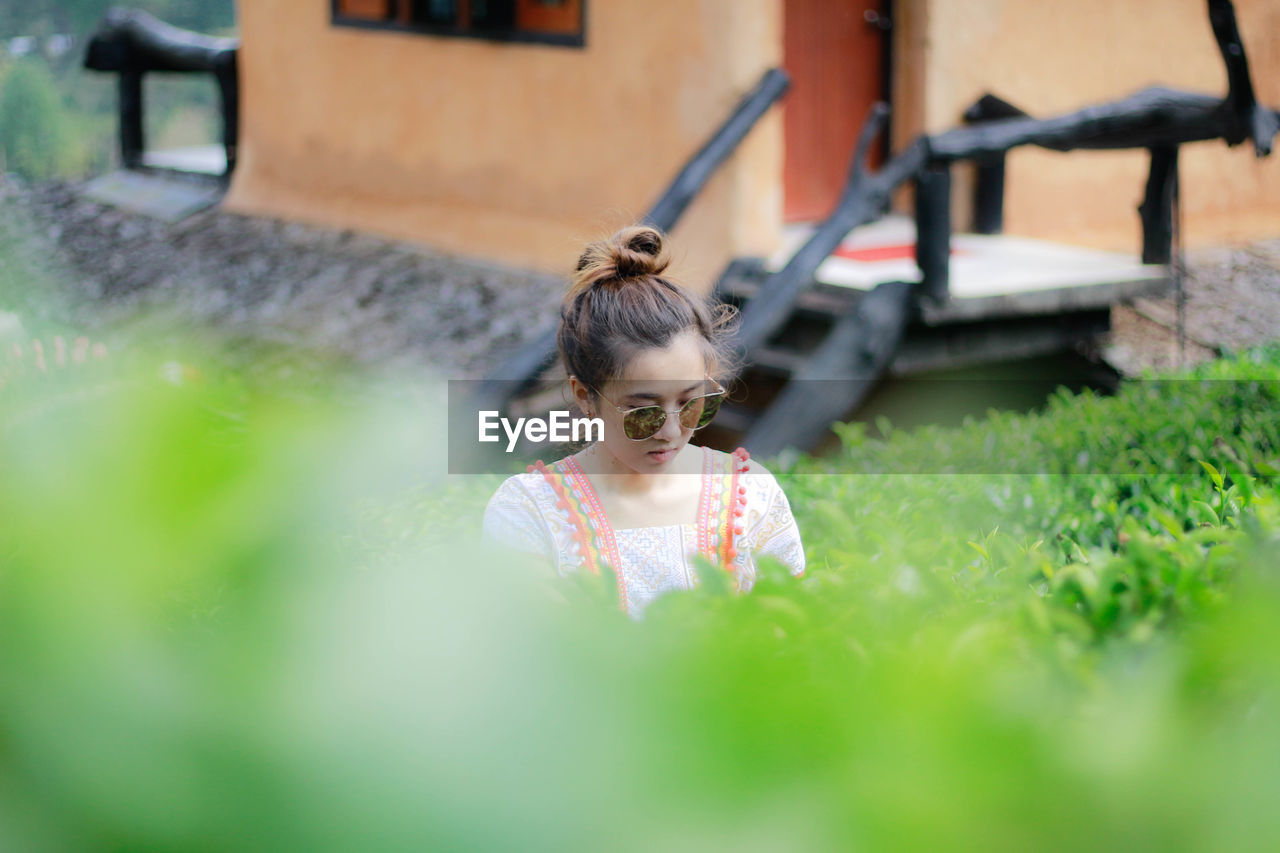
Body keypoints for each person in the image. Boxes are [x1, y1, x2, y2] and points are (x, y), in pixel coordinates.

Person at [482, 226, 804, 617]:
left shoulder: (749, 495)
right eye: (644, 412)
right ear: (586, 396)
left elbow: (790, 636)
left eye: (691, 403)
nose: (670, 432)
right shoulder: (530, 513)